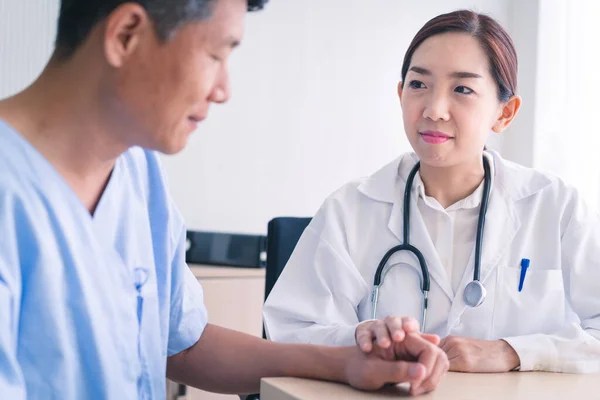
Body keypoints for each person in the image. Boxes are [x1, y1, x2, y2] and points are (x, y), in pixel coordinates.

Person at [0, 0, 450, 398]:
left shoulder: (138, 171)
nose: (223, 90)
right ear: (126, 35)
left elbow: (184, 344)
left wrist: (345, 364)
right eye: (215, 55)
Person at [263, 9, 600, 374]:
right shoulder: (351, 209)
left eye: (463, 89)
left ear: (504, 113)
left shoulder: (555, 206)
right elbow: (289, 332)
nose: (435, 110)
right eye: (418, 85)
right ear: (400, 94)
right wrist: (360, 338)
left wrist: (513, 352)